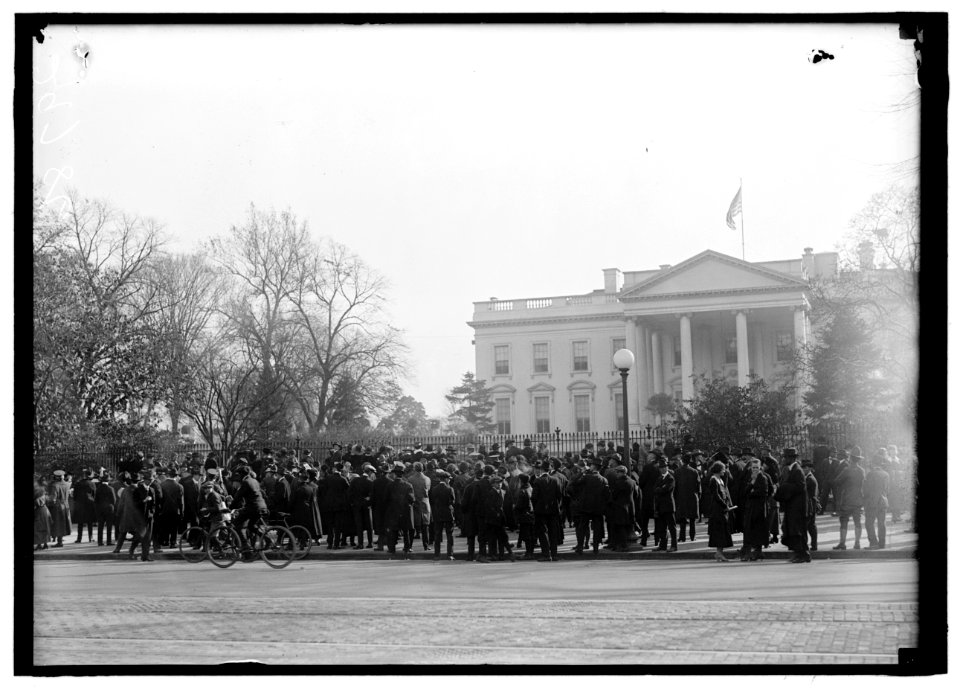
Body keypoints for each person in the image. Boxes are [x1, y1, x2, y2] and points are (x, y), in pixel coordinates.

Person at [775, 447, 810, 563]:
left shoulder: (797, 470)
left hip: (798, 507)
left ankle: (801, 554)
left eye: (785, 457)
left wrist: (784, 488)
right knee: (794, 530)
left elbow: (800, 487)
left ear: (791, 458)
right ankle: (800, 553)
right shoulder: (791, 469)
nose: (784, 459)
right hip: (793, 506)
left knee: (798, 531)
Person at [832, 446, 866, 550]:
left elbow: (836, 482)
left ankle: (842, 543)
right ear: (859, 459)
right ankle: (857, 543)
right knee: (857, 522)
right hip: (858, 499)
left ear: (850, 459)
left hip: (846, 499)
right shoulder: (862, 471)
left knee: (843, 521)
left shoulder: (847, 470)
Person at [741, 458, 772, 561]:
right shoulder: (750, 478)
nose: (755, 470)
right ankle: (751, 551)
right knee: (750, 530)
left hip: (759, 508)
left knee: (758, 529)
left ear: (760, 468)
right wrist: (752, 484)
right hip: (751, 508)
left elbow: (764, 492)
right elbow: (745, 492)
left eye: (757, 468)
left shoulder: (763, 478)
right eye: (753, 467)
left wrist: (752, 492)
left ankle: (758, 551)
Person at [531, 460, 563, 561]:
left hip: (541, 511)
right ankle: (554, 554)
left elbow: (534, 497)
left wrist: (536, 507)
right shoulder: (555, 480)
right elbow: (559, 495)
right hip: (553, 510)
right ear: (549, 470)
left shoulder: (538, 481)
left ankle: (546, 554)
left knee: (543, 532)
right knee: (553, 532)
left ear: (541, 470)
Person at [576, 459, 609, 555]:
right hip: (597, 508)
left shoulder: (586, 477)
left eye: (591, 465)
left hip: (585, 506)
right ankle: (595, 548)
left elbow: (576, 483)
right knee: (597, 528)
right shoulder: (604, 479)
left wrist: (582, 473)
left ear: (594, 467)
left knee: (582, 527)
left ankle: (580, 547)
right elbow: (607, 495)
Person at [479, 474, 514, 562]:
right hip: (493, 519)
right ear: (492, 484)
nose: (499, 484)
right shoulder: (490, 493)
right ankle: (495, 554)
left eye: (500, 483)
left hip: (500, 519)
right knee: (493, 538)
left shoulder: (502, 492)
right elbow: (489, 506)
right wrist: (496, 513)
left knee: (502, 537)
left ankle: (504, 554)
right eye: (497, 483)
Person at [705, 461, 735, 561]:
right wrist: (724, 505)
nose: (724, 471)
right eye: (723, 469)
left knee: (722, 532)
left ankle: (719, 553)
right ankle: (719, 553)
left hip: (722, 510)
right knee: (719, 532)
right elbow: (716, 496)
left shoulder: (720, 479)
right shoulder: (713, 480)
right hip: (717, 510)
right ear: (718, 470)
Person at [384, 465, 415, 559]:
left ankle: (392, 548)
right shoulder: (408, 485)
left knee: (393, 530)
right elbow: (412, 499)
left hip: (393, 511)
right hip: (405, 511)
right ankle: (407, 547)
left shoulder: (390, 485)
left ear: (394, 474)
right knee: (406, 531)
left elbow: (385, 499)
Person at [606, 465, 637, 552]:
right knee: (625, 526)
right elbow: (636, 494)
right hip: (629, 507)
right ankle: (620, 545)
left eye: (618, 472)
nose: (616, 474)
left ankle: (623, 546)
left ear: (622, 473)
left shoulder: (619, 482)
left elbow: (614, 495)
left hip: (620, 507)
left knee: (620, 527)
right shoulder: (631, 481)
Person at [863, 454, 890, 550]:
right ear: (881, 464)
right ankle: (882, 544)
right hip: (883, 501)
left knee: (869, 523)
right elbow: (887, 490)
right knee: (882, 523)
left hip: (872, 502)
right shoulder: (886, 474)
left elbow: (866, 490)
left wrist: (865, 501)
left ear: (873, 463)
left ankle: (874, 543)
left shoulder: (870, 474)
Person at [290, 468, 324, 546]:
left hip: (307, 506)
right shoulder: (315, 485)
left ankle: (303, 539)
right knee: (315, 523)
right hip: (315, 506)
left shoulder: (305, 486)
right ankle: (316, 538)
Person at [428, 470, 457, 560]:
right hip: (448, 513)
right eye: (449, 479)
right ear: (445, 479)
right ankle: (450, 554)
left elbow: (431, 501)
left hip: (437, 513)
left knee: (437, 534)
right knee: (449, 534)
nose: (449, 480)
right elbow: (452, 501)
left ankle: (437, 554)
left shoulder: (434, 489)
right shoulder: (449, 489)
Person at [652, 457, 678, 552]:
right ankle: (663, 545)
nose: (663, 469)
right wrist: (660, 489)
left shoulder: (670, 478)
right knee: (662, 528)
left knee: (672, 527)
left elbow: (666, 490)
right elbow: (654, 489)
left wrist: (660, 489)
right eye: (661, 467)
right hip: (660, 506)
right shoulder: (659, 478)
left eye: (664, 467)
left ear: (667, 467)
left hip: (668, 506)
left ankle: (674, 546)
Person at [675, 452, 701, 543]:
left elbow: (675, 486)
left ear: (682, 461)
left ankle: (682, 537)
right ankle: (692, 536)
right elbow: (698, 487)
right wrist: (698, 496)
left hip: (681, 497)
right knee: (692, 519)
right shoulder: (695, 472)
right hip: (692, 497)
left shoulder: (677, 471)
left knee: (682, 519)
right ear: (690, 461)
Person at [349, 464, 376, 549]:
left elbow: (349, 493)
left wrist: (353, 502)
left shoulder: (355, 481)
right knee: (369, 526)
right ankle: (370, 543)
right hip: (366, 506)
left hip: (357, 505)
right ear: (370, 472)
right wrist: (369, 502)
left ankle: (360, 543)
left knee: (359, 525)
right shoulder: (370, 482)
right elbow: (373, 495)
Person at [407, 462, 432, 551]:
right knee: (425, 526)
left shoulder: (410, 479)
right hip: (425, 503)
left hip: (415, 504)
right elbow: (428, 490)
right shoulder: (427, 479)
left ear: (414, 468)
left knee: (412, 526)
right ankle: (426, 545)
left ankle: (409, 546)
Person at [513, 473, 536, 560]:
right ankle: (530, 552)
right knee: (531, 535)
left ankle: (529, 553)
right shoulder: (530, 488)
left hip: (524, 515)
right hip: (531, 514)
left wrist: (514, 508)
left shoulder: (522, 491)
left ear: (521, 481)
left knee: (527, 536)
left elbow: (519, 505)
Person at [47, 470, 72, 548]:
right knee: (63, 524)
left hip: (57, 506)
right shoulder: (67, 484)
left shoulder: (54, 485)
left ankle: (59, 542)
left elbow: (53, 498)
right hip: (66, 505)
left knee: (57, 524)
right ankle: (60, 541)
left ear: (56, 477)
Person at [72, 470, 97, 544]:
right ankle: (90, 537)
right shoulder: (92, 484)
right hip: (89, 504)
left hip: (80, 505)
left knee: (80, 523)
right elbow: (94, 494)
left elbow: (75, 495)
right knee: (90, 522)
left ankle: (79, 538)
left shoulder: (78, 484)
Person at [801, 458, 820, 551]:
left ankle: (810, 545)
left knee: (808, 526)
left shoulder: (810, 479)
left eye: (805, 468)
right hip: (811, 505)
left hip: (810, 506)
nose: (803, 469)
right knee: (811, 526)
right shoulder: (809, 478)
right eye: (802, 467)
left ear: (809, 468)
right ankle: (814, 545)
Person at [94, 472, 117, 547]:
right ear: (108, 481)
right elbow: (114, 500)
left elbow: (96, 500)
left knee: (100, 526)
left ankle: (100, 542)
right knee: (109, 526)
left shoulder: (98, 488)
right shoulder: (111, 489)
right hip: (109, 509)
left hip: (100, 509)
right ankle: (108, 541)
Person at [34, 478, 52, 550]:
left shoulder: (36, 491)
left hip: (39, 511)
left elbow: (37, 503)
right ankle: (45, 544)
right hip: (46, 510)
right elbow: (48, 500)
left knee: (38, 528)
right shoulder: (44, 491)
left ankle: (39, 545)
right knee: (46, 527)